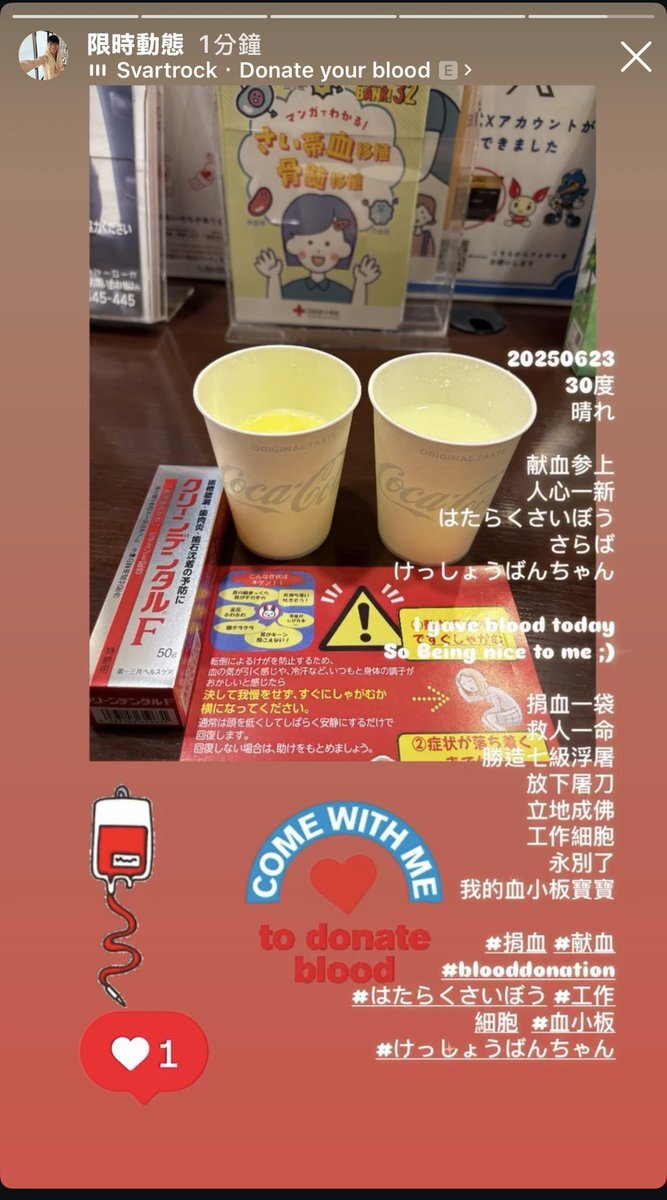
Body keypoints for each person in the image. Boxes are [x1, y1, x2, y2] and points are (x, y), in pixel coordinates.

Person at [254, 193, 381, 305]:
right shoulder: (293, 288)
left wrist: (361, 283)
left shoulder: (341, 291)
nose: (318, 251)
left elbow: (356, 313)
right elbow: (277, 307)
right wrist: (273, 277)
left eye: (327, 244)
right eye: (309, 242)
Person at [455, 668, 522, 732]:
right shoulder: (484, 693)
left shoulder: (491, 691)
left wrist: (486, 712)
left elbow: (497, 708)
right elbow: (469, 699)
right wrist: (459, 687)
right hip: (509, 713)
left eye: (469, 681)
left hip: (514, 714)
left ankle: (503, 733)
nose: (468, 686)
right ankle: (501, 732)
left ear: (477, 678)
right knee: (486, 718)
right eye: (464, 684)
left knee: (488, 718)